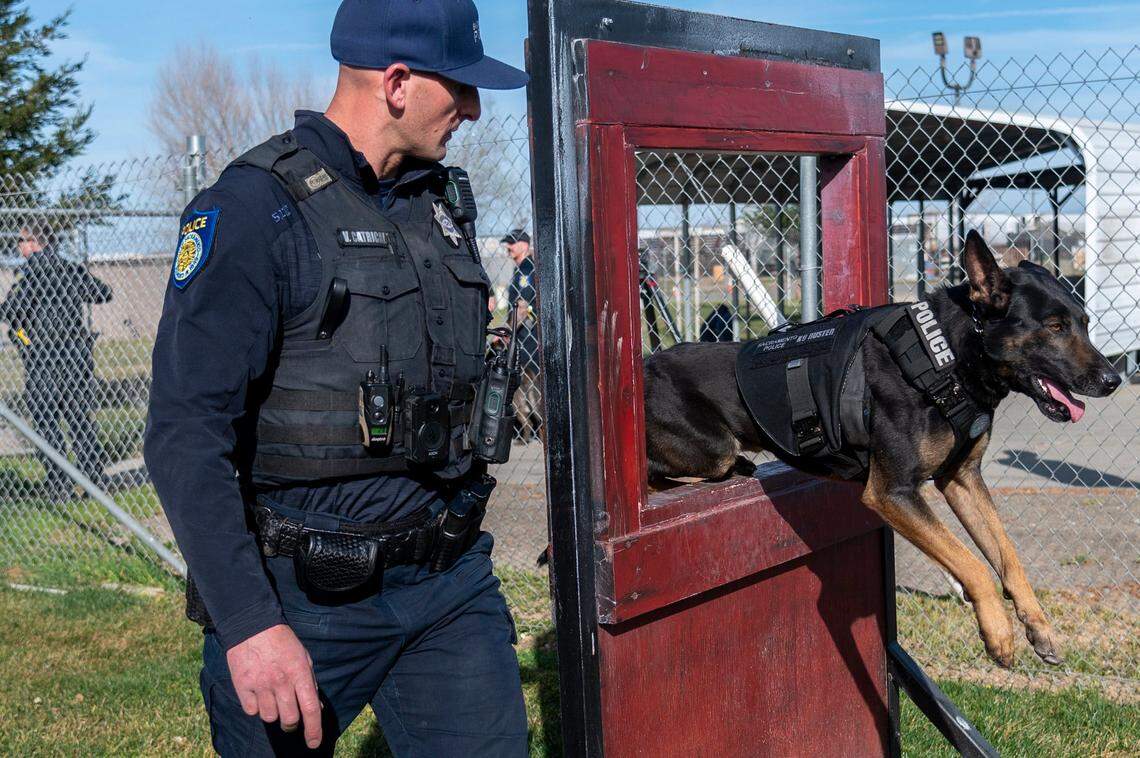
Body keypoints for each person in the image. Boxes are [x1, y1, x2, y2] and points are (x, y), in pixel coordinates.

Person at [143, 2, 529, 755]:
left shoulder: (439, 208)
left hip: (446, 582)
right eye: (462, 87)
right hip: (303, 600)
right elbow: (185, 433)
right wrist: (251, 624)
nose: (476, 109)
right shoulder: (255, 208)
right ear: (396, 82)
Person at [1, 220, 111, 500]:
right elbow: (103, 293)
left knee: (46, 417)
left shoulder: (31, 272)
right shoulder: (70, 268)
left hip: (44, 355)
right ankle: (93, 480)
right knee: (78, 417)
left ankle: (59, 484)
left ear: (35, 243)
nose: (19, 246)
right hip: (76, 352)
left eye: (22, 241)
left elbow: (12, 309)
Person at [501, 229, 542, 442]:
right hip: (524, 337)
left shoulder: (527, 270)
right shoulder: (520, 270)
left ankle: (537, 430)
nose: (508, 247)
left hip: (530, 337)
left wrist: (506, 330)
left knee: (533, 387)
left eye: (512, 243)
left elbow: (523, 307)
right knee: (525, 387)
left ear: (524, 245)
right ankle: (530, 430)